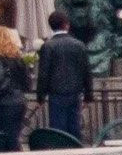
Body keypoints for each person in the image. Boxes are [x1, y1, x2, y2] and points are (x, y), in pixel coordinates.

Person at [35, 11, 92, 139]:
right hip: (75, 92)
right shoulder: (79, 45)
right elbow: (86, 72)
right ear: (67, 25)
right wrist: (88, 96)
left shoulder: (48, 46)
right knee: (74, 127)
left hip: (56, 93)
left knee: (58, 129)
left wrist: (40, 97)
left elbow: (43, 73)